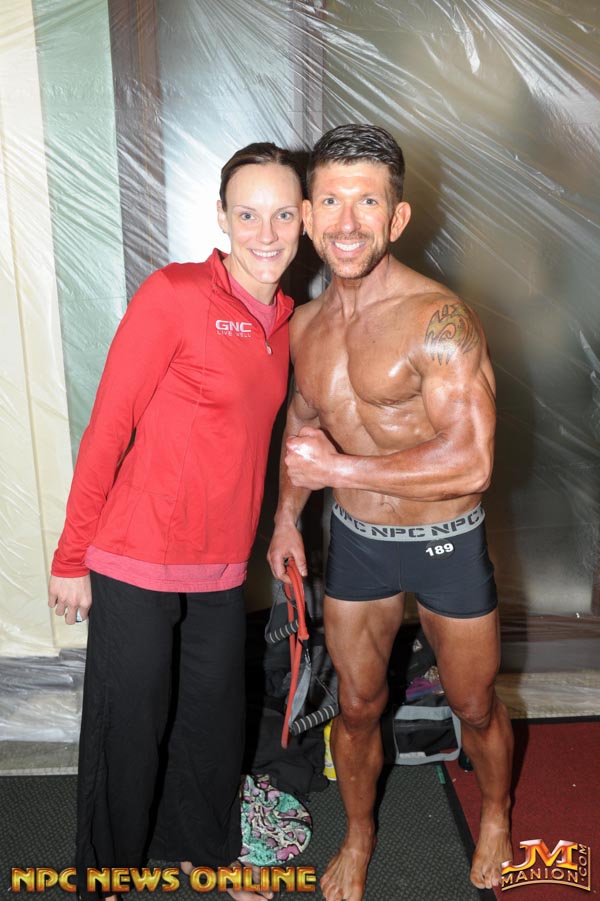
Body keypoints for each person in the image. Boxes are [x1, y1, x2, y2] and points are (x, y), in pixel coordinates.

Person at [48, 142, 304, 901]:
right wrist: (71, 556)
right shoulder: (175, 294)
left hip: (221, 565)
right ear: (221, 217)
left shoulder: (289, 321)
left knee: (211, 725)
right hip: (136, 556)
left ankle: (204, 855)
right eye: (248, 214)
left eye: (282, 215)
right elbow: (108, 427)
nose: (266, 233)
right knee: (128, 728)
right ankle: (104, 877)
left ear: (302, 221)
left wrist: (285, 520)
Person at [267, 124, 513, 900]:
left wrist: (338, 469)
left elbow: (471, 460)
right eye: (331, 201)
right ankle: (360, 831)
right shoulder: (305, 326)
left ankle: (497, 811)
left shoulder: (439, 320)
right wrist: (286, 517)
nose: (347, 222)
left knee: (475, 704)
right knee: (358, 704)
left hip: (446, 541)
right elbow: (304, 423)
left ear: (397, 218)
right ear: (309, 214)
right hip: (360, 543)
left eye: (367, 202)